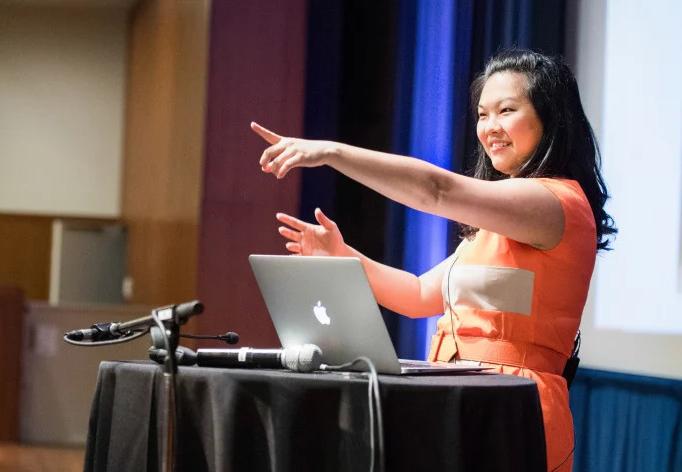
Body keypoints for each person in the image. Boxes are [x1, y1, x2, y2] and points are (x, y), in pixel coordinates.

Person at [251, 49, 615, 472]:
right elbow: (419, 294)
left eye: (506, 110)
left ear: (550, 117)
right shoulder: (499, 224)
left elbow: (437, 191)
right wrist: (343, 255)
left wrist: (332, 152)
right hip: (454, 394)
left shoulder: (558, 202)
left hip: (513, 403)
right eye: (482, 115)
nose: (490, 128)